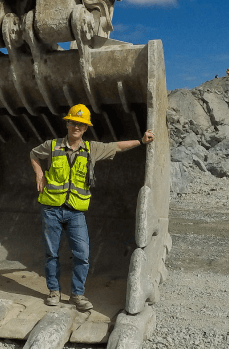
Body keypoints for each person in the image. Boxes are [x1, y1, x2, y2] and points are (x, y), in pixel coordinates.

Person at [29, 104, 155, 311]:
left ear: (86, 128)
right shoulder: (52, 146)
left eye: (81, 124)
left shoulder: (91, 149)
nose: (76, 127)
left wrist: (141, 141)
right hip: (51, 208)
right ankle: (53, 291)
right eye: (73, 122)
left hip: (76, 211)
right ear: (67, 123)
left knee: (82, 254)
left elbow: (116, 146)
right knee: (51, 253)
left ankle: (77, 294)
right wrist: (39, 174)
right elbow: (33, 154)